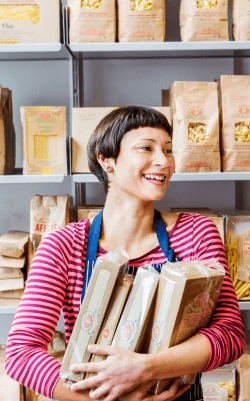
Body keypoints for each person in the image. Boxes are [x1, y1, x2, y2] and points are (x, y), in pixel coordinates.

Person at [5, 106, 244, 401]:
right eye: (146, 148)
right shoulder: (64, 246)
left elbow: (230, 335)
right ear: (107, 161)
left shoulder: (195, 233)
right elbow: (21, 354)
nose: (163, 161)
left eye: (168, 151)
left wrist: (145, 369)